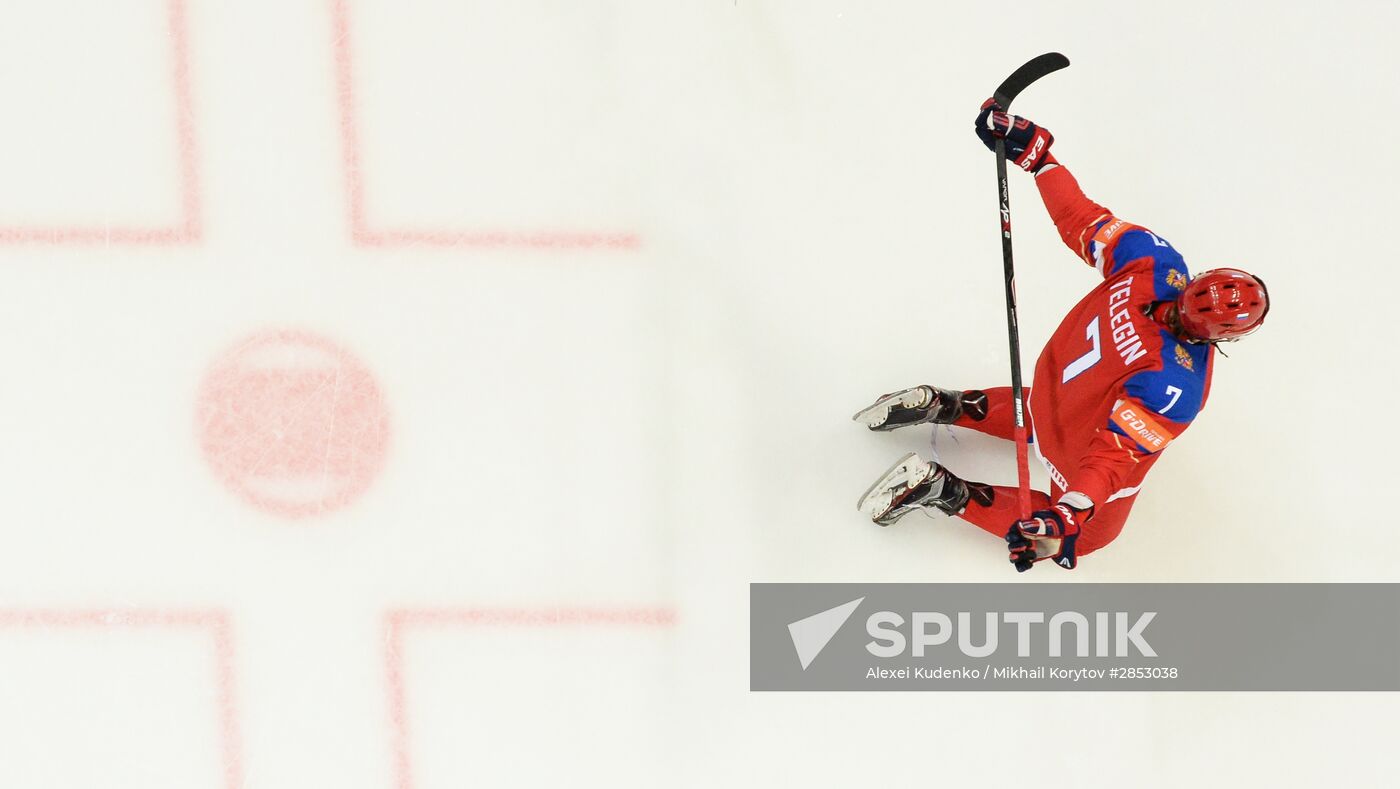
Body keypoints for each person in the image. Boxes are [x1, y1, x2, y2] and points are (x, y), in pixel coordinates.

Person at [853, 99, 1270, 572]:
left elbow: (1081, 218)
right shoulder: (1175, 387)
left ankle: (943, 403)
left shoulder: (1155, 262)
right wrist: (1070, 514)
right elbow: (1111, 462)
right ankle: (937, 487)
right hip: (1078, 434)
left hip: (1052, 388)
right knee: (1089, 538)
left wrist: (1041, 159)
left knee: (1041, 411)